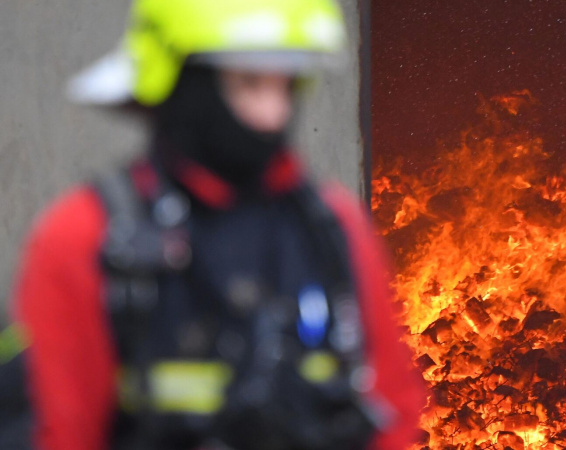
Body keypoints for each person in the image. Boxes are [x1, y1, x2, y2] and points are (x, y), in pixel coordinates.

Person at [5, 0, 426, 448]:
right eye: (248, 84)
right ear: (183, 83)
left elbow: (390, 412)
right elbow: (58, 430)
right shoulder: (86, 236)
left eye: (285, 86)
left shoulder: (330, 229)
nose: (273, 114)